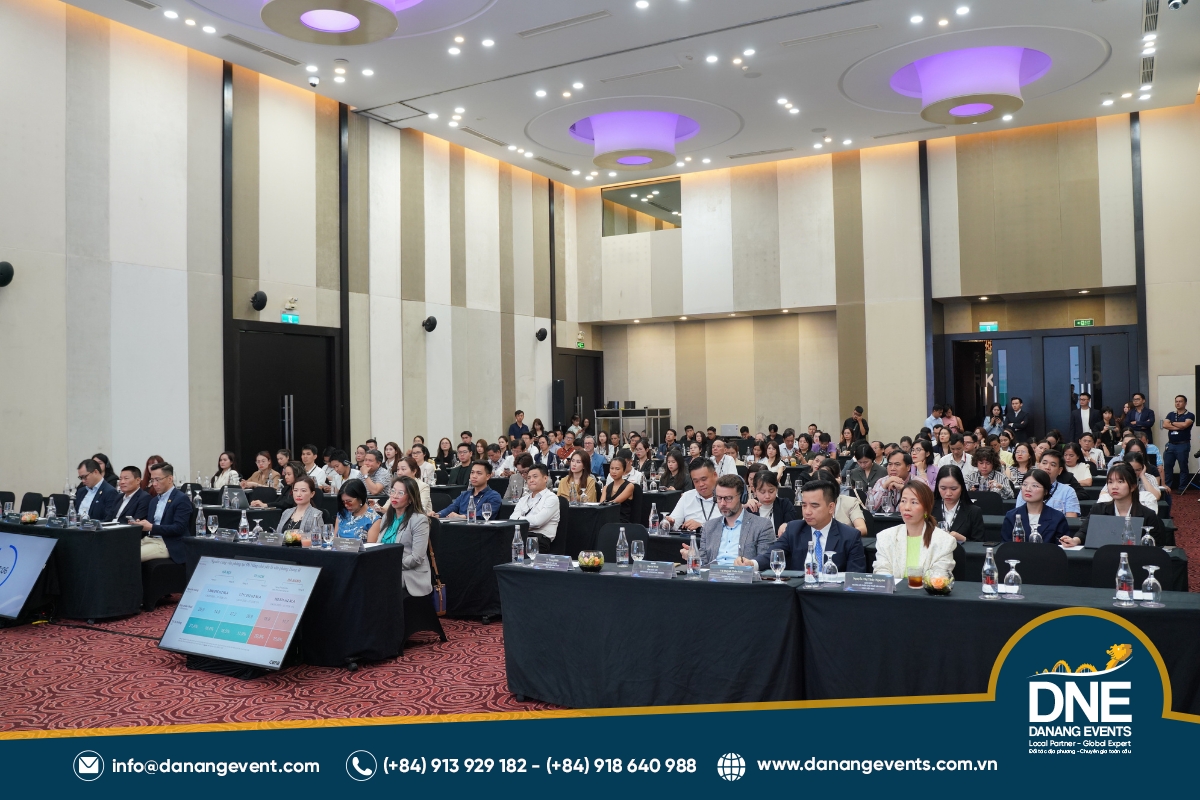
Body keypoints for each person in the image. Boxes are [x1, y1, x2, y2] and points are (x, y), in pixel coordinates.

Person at [760, 479, 865, 573]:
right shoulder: (794, 529)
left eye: (814, 506)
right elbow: (771, 556)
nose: (807, 512)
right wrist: (753, 564)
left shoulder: (850, 536)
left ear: (831, 508)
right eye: (804, 505)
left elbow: (855, 576)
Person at [679, 475, 775, 567]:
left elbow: (765, 561)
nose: (722, 503)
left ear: (742, 497)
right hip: (713, 576)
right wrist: (694, 557)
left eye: (728, 498)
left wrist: (750, 564)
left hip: (743, 576)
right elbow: (704, 563)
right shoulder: (709, 526)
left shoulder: (762, 525)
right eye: (719, 498)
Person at [873, 481, 957, 578]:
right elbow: (881, 570)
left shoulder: (944, 541)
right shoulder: (885, 537)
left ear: (926, 509)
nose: (907, 507)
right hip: (894, 588)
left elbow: (939, 576)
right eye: (903, 501)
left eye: (914, 502)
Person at [368, 477, 433, 597]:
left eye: (400, 493)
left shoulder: (419, 520)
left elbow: (417, 558)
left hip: (408, 574)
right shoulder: (387, 517)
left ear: (410, 499)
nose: (394, 496)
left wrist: (391, 565)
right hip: (386, 569)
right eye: (393, 491)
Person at [1077, 462, 1168, 547]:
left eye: (1120, 482)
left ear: (1133, 487)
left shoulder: (1148, 515)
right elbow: (1083, 532)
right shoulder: (1098, 509)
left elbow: (1156, 546)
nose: (1114, 487)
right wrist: (1075, 540)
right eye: (1110, 482)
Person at [130, 462, 194, 563]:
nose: (154, 484)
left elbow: (179, 528)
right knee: (119, 551)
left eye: (158, 479)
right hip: (150, 539)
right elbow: (151, 524)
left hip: (169, 543)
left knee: (129, 556)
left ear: (170, 479)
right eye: (152, 480)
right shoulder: (154, 501)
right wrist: (140, 525)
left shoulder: (181, 499)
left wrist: (151, 527)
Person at [1001, 469, 1070, 545]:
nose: (1028, 489)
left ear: (1046, 491)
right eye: (1025, 484)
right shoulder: (1011, 516)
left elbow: (1062, 547)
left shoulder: (1057, 517)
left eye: (1034, 486)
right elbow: (1006, 546)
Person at [511, 464, 561, 551]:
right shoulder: (523, 499)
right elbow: (512, 519)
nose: (531, 480)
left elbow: (537, 522)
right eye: (529, 478)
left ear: (545, 478)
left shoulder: (551, 498)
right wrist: (529, 522)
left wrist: (520, 519)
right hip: (520, 536)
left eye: (535, 477)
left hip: (539, 540)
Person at [1016, 450, 1080, 517]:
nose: (1047, 467)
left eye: (1053, 465)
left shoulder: (1068, 491)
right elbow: (1018, 515)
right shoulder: (1027, 489)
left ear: (1060, 470)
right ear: (1038, 466)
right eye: (1044, 463)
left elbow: (1071, 519)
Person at [932, 465, 984, 543]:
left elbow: (979, 543)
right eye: (943, 488)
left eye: (953, 489)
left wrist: (964, 539)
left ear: (962, 487)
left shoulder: (974, 512)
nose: (948, 493)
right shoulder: (929, 508)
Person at [664, 458, 719, 531]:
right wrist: (670, 523)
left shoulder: (726, 497)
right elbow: (674, 522)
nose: (701, 484)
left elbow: (730, 526)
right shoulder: (687, 496)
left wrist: (702, 526)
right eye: (696, 481)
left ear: (715, 475)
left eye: (704, 479)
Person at [815, 463, 869, 536]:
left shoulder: (850, 502)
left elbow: (862, 529)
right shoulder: (810, 504)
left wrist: (837, 534)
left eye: (824, 489)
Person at [438, 461, 503, 519]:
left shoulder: (493, 496)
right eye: (472, 472)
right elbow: (451, 508)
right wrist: (438, 515)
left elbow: (482, 515)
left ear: (488, 476)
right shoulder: (465, 495)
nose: (474, 476)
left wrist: (463, 517)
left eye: (479, 473)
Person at [743, 470, 796, 537]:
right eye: (762, 492)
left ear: (776, 489)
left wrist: (786, 525)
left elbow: (792, 523)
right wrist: (743, 506)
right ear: (755, 491)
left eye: (771, 491)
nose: (767, 496)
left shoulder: (785, 504)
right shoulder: (750, 507)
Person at [1162, 394, 1195, 491]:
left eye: (1180, 401)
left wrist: (1172, 423)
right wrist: (1179, 426)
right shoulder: (1170, 414)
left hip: (1183, 444)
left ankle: (1182, 488)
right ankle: (1167, 487)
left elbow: (1185, 425)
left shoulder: (1190, 415)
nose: (1178, 403)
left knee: (1183, 467)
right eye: (1176, 401)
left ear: (1185, 403)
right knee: (1167, 466)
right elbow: (1165, 425)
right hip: (1170, 444)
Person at [600, 457, 637, 523]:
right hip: (607, 520)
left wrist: (605, 504)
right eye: (612, 468)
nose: (614, 471)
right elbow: (601, 505)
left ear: (624, 471)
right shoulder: (606, 487)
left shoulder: (629, 486)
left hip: (622, 521)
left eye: (617, 469)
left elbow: (615, 503)